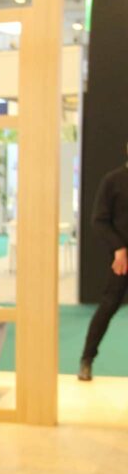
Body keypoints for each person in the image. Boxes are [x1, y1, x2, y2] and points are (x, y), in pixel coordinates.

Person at [79, 144, 128, 381]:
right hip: (122, 261)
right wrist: (119, 248)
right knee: (107, 307)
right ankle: (86, 359)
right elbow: (99, 220)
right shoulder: (113, 180)